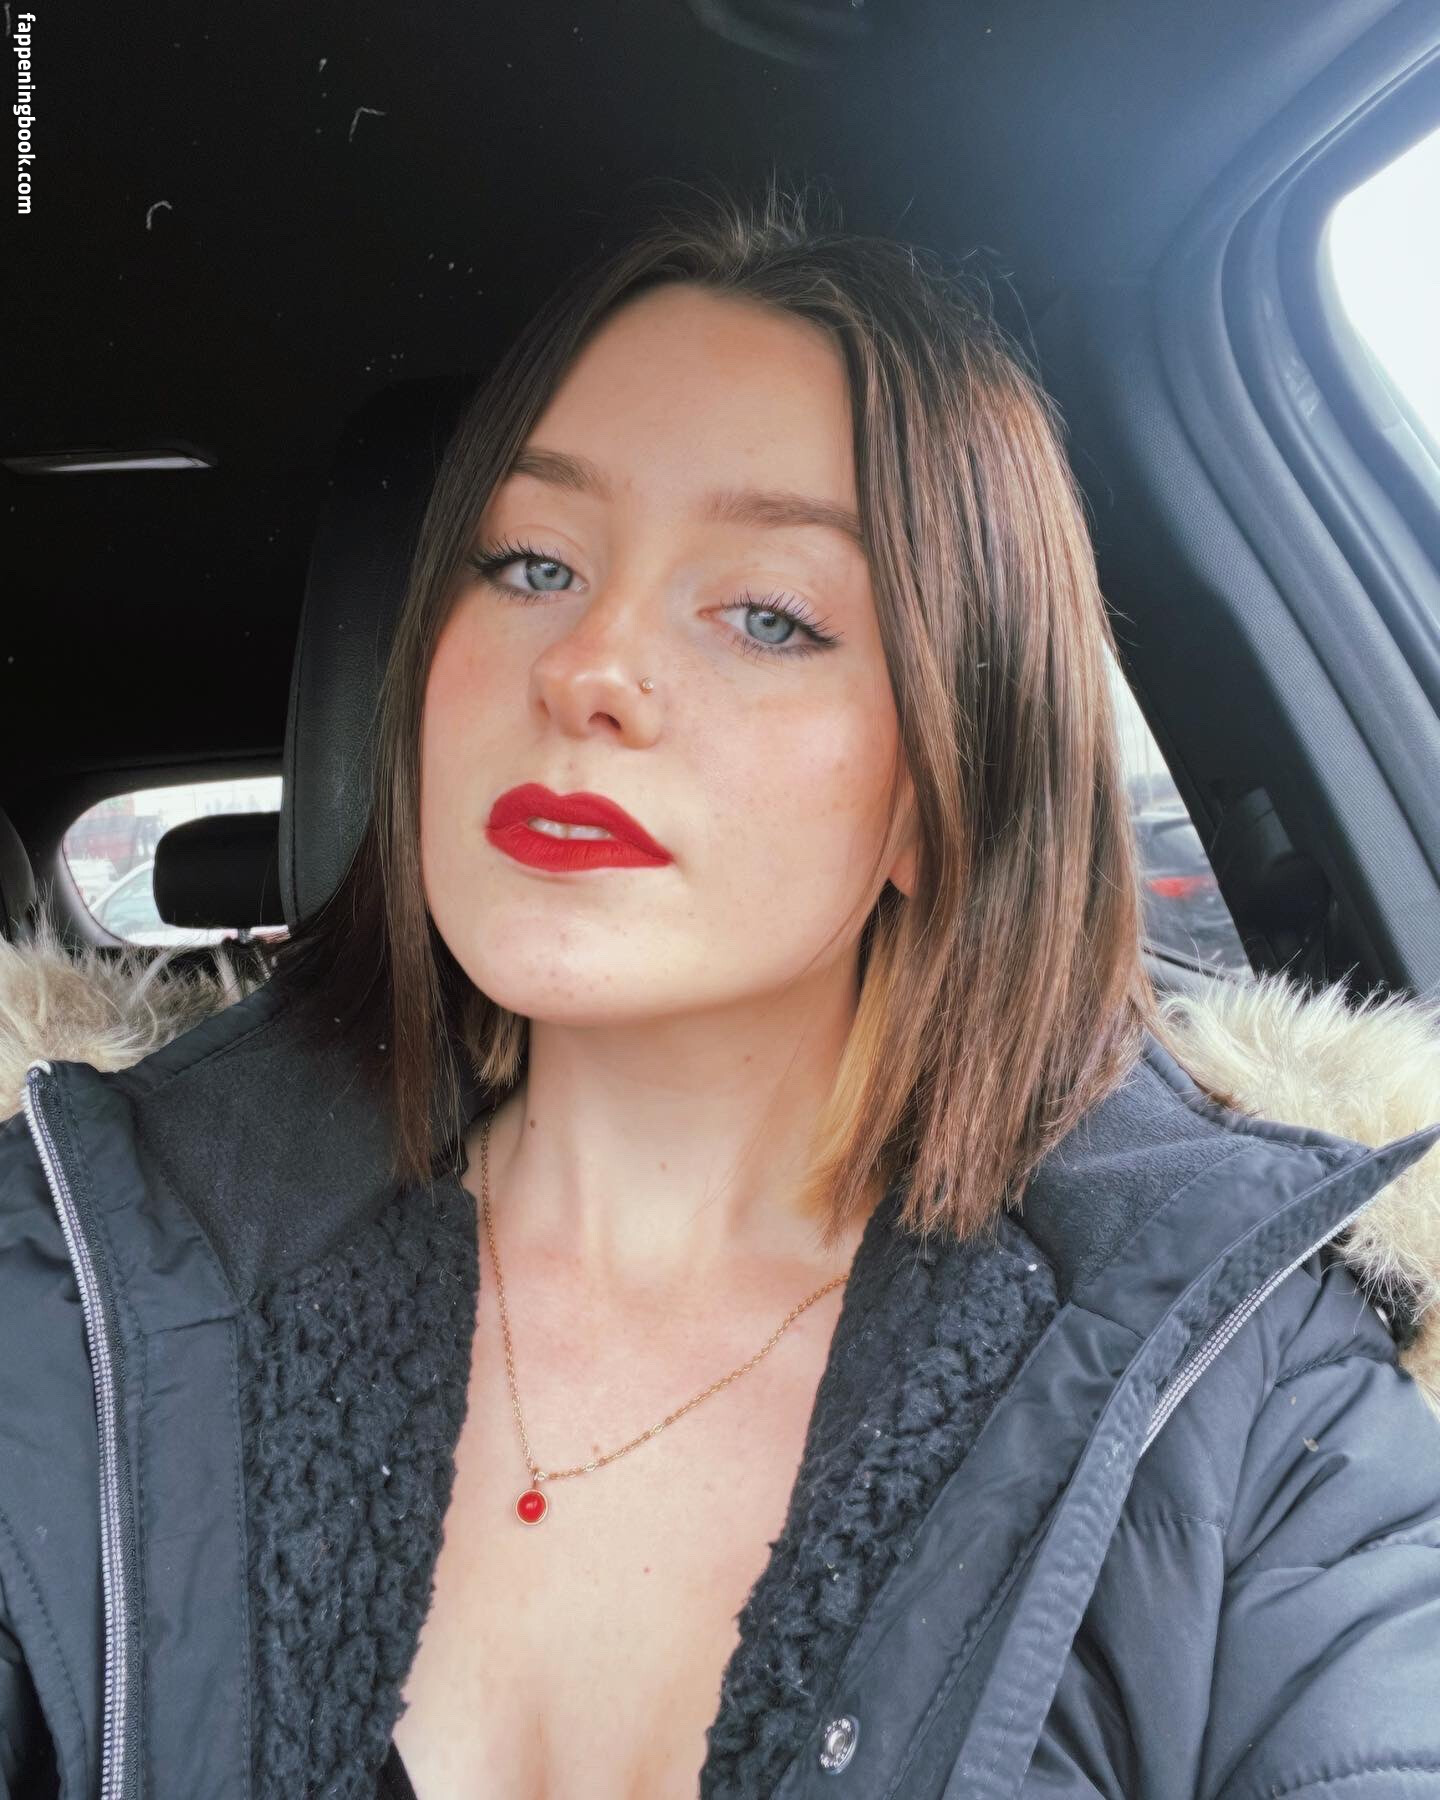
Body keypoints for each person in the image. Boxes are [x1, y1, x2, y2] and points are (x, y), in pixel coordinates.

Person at [2, 173, 1440, 1800]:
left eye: (768, 615)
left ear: (945, 785)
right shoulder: (84, 1275)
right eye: (529, 563)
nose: (587, 667)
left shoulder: (1246, 1404)